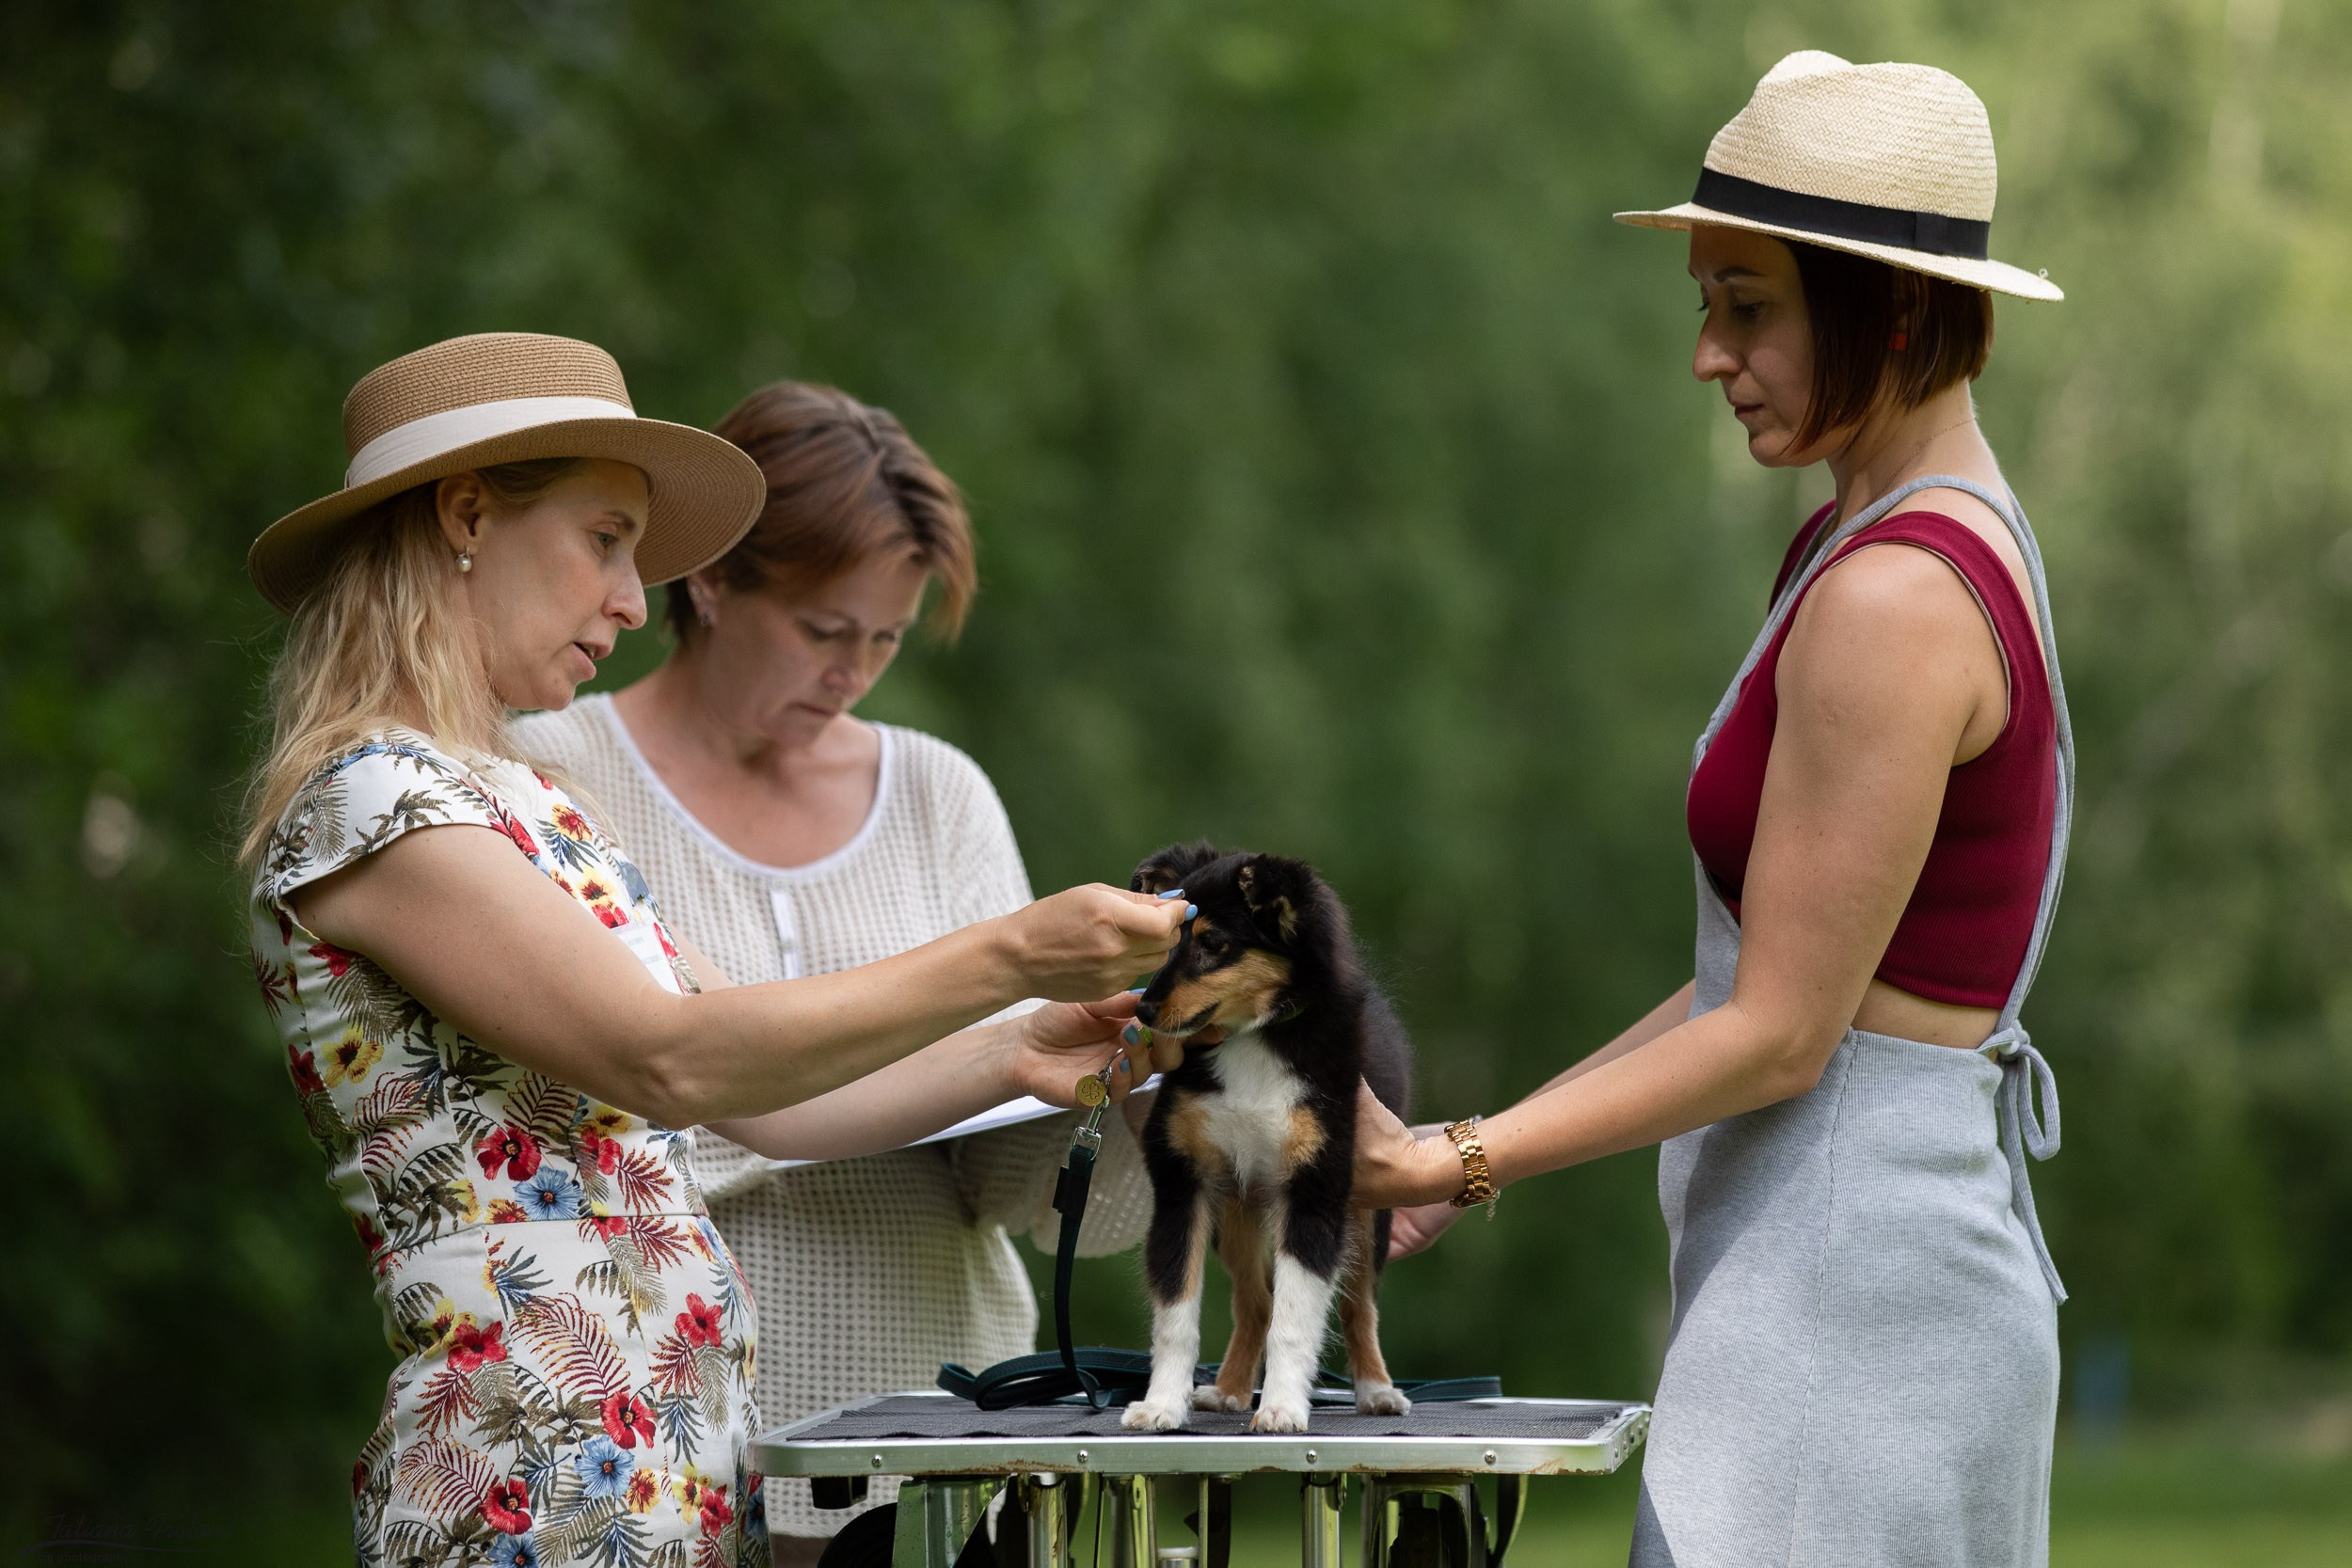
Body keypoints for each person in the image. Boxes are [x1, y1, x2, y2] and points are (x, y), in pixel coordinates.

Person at [241, 333, 1184, 1568]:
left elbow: (775, 1098)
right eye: (605, 539)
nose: (636, 601)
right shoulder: (375, 803)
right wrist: (1011, 953)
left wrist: (1019, 1050)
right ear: (467, 514)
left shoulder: (526, 803)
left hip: (667, 1484)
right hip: (529, 1488)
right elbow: (673, 1058)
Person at [1343, 54, 2074, 1566]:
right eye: (1705, 305)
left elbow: (1784, 1035)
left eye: (1748, 307)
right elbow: (1765, 978)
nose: (1707, 355)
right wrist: (1466, 1156)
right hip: (1844, 1270)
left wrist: (1461, 1154)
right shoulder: (1876, 542)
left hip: (1852, 1300)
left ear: (1890, 307)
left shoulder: (1893, 595)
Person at [516, 381, 1155, 1555]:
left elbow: (1009, 1175)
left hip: (936, 1430)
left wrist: (1136, 1074)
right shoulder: (552, 770)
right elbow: (584, 1110)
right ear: (713, 579)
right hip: (647, 1421)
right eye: (824, 630)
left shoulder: (939, 793)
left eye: (886, 638)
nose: (853, 671)